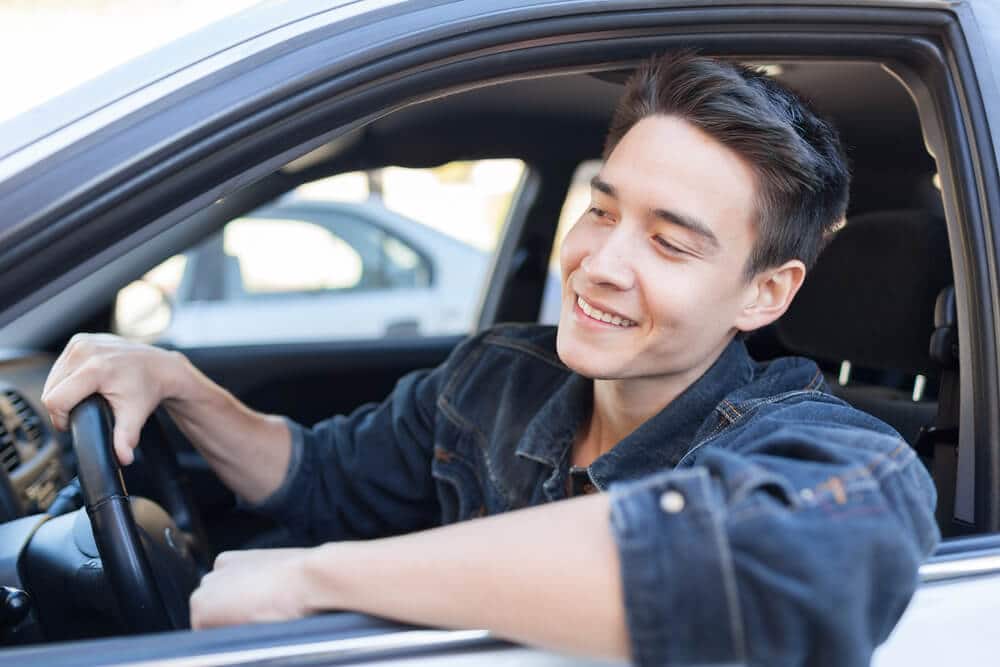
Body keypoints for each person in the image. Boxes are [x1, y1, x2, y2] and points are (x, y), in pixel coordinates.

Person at [41, 52, 939, 666]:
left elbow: (764, 559)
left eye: (670, 245)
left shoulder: (818, 441)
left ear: (764, 294)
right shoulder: (499, 376)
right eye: (602, 209)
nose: (598, 262)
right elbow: (321, 476)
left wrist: (313, 577)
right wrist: (175, 381)